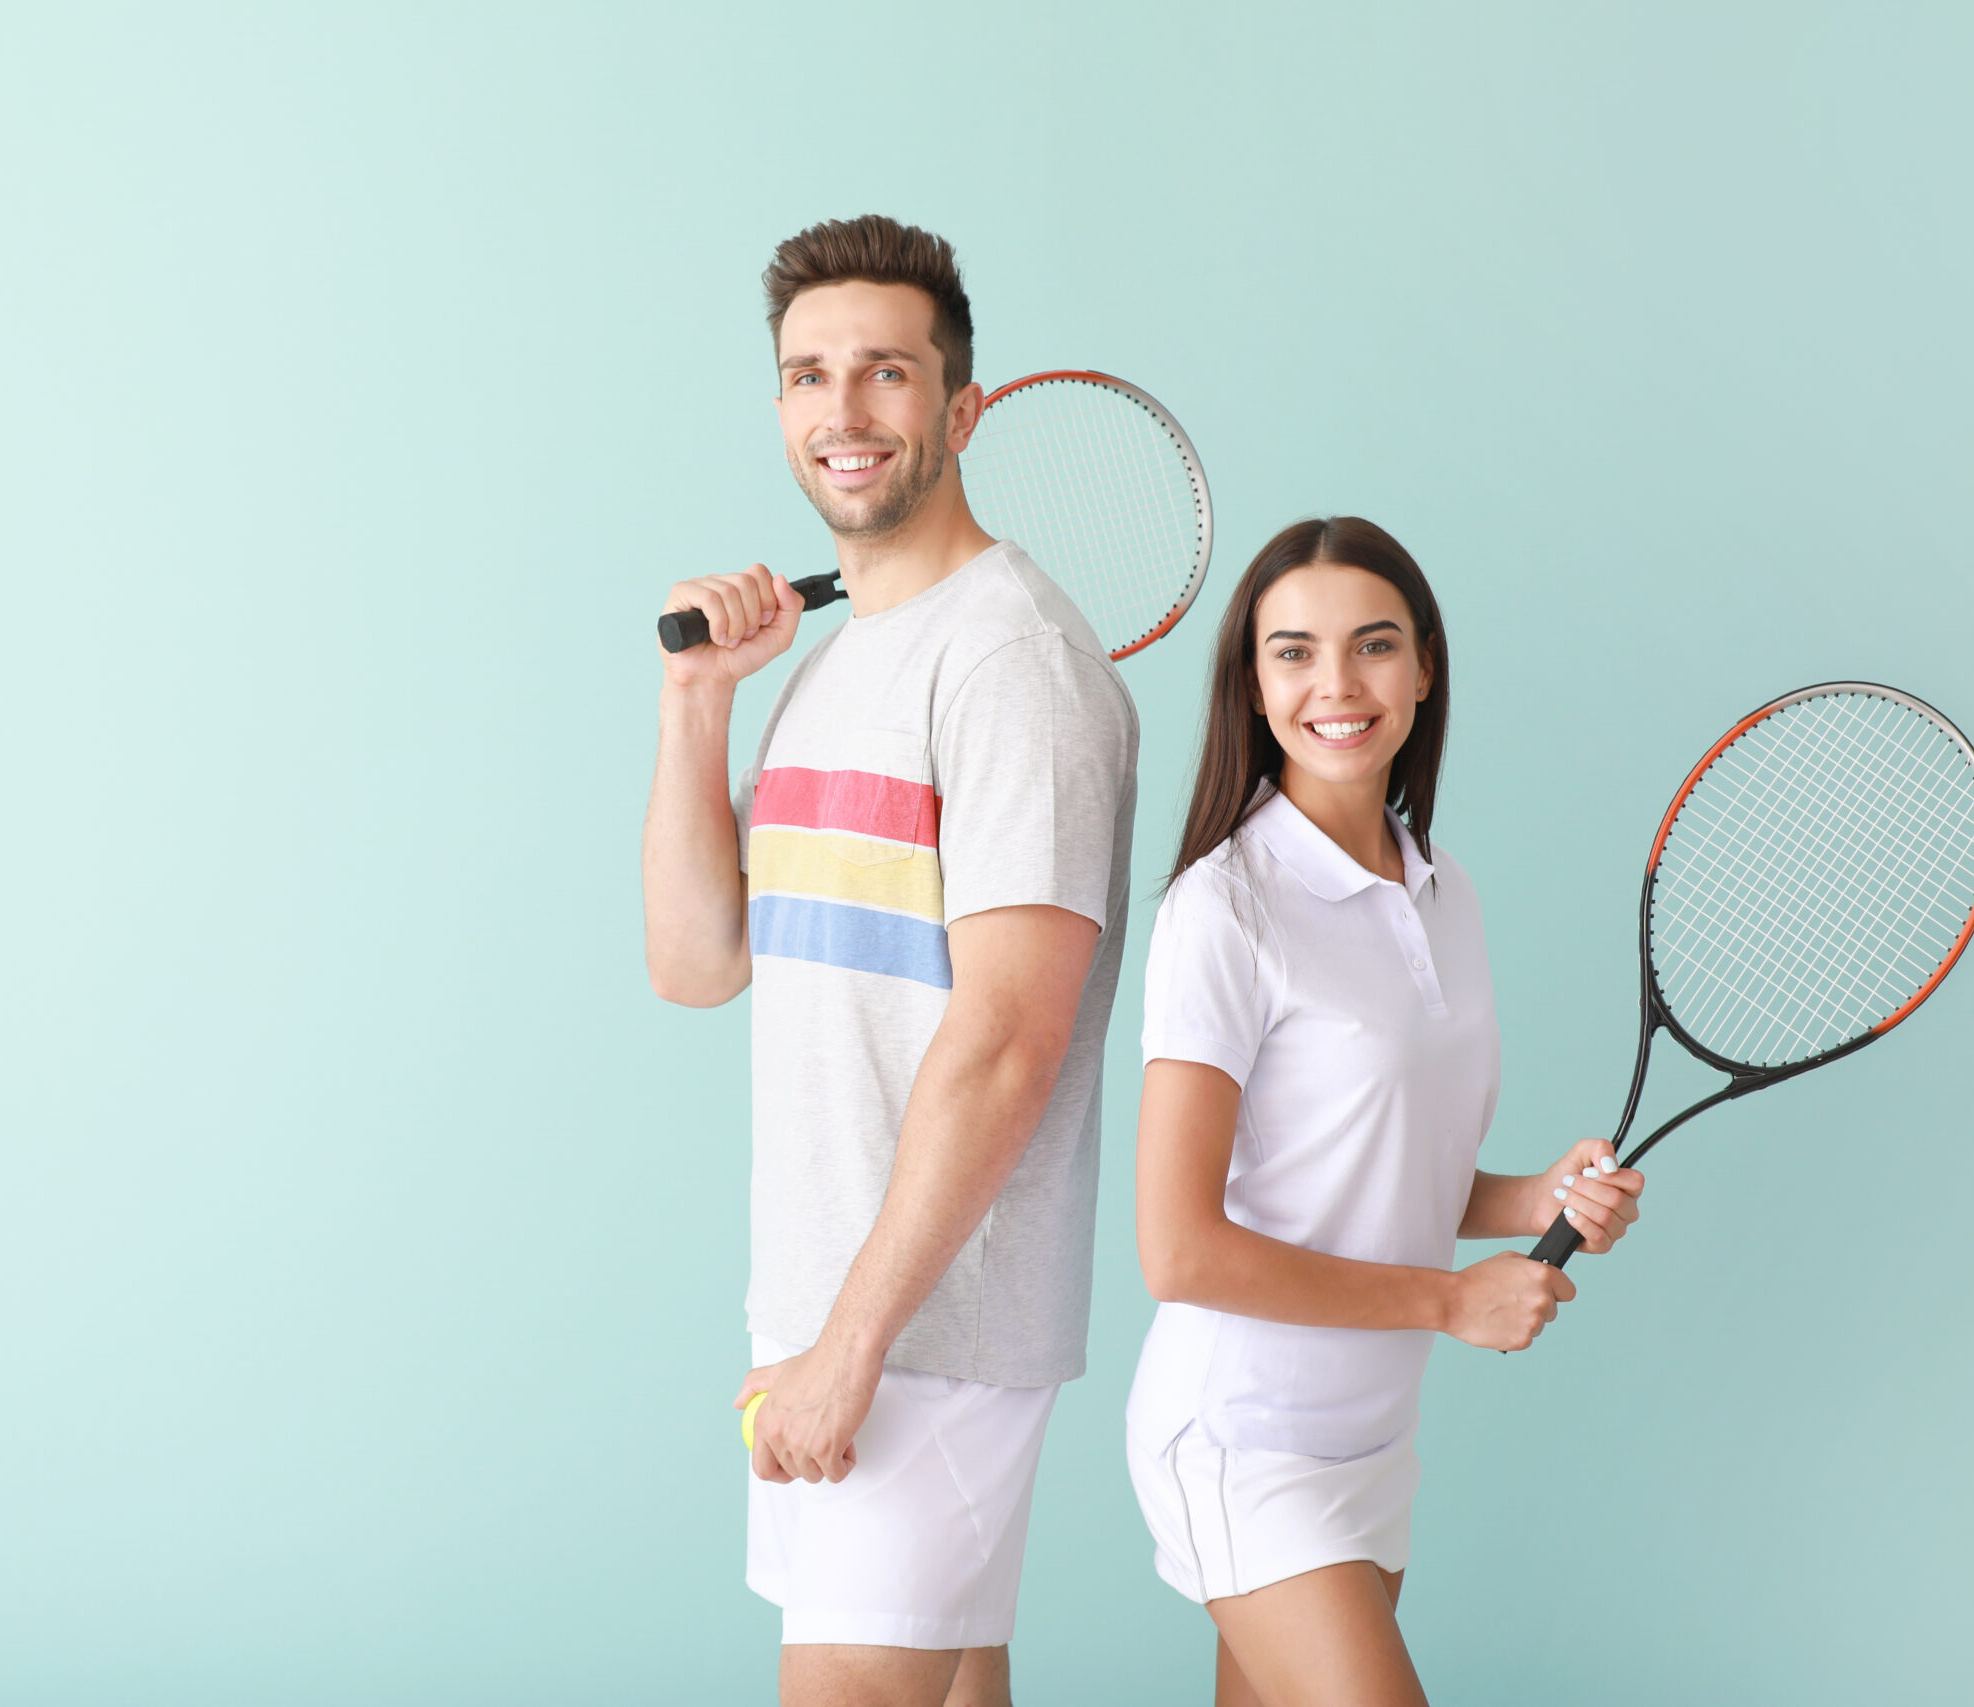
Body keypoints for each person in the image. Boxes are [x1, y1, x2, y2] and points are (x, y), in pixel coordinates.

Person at [640, 215, 1139, 1706]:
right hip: (826, 1307)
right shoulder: (836, 660)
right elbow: (696, 960)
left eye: (885, 373)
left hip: (929, 1326)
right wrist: (695, 703)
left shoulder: (1012, 664)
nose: (842, 413)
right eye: (808, 375)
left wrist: (856, 1341)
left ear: (961, 408)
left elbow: (1008, 1040)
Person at [1124, 517, 1645, 1705]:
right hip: (1242, 1431)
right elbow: (1177, 1248)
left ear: (1422, 670)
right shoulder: (1224, 910)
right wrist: (1451, 1300)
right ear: (1254, 689)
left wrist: (1538, 1199)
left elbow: (1376, 1167)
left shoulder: (1440, 888)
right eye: (1294, 653)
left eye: (1371, 647)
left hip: (1370, 1436)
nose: (1336, 686)